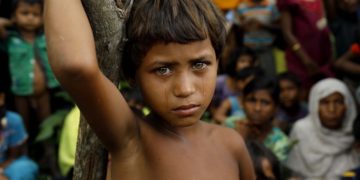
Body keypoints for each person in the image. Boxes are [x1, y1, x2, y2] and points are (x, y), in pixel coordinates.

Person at [44, 0, 256, 179]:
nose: (185, 89)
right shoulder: (132, 139)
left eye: (199, 64)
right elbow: (76, 67)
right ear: (132, 75)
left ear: (218, 61)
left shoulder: (232, 144)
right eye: (163, 69)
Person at [0, 0, 59, 130]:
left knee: (46, 120)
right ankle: (24, 147)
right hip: (20, 91)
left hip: (43, 91)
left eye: (35, 14)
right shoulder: (11, 39)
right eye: (25, 13)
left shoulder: (45, 37)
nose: (30, 18)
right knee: (22, 121)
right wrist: (11, 21)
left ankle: (47, 148)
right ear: (14, 15)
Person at [286, 78, 360, 179]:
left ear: (347, 105)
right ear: (314, 105)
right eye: (325, 103)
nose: (332, 109)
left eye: (338, 102)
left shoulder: (355, 130)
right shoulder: (301, 131)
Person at [278, 0, 334, 100]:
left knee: (324, 95)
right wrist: (305, 59)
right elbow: (287, 33)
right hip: (301, 58)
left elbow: (331, 17)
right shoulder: (290, 2)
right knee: (302, 94)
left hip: (321, 55)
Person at [235, 76, 291, 162]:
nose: (257, 108)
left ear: (276, 108)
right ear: (242, 102)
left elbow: (266, 172)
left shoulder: (281, 143)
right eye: (252, 100)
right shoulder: (230, 125)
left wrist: (241, 141)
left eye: (265, 103)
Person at [0, 83, 38, 179]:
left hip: (6, 166)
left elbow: (13, 156)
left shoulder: (13, 120)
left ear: (2, 98)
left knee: (26, 167)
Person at [236, 0, 281, 77]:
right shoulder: (242, 7)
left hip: (266, 49)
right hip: (249, 50)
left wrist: (262, 26)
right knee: (249, 78)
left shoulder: (271, 5)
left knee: (268, 76)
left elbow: (279, 27)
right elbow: (237, 29)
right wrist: (244, 26)